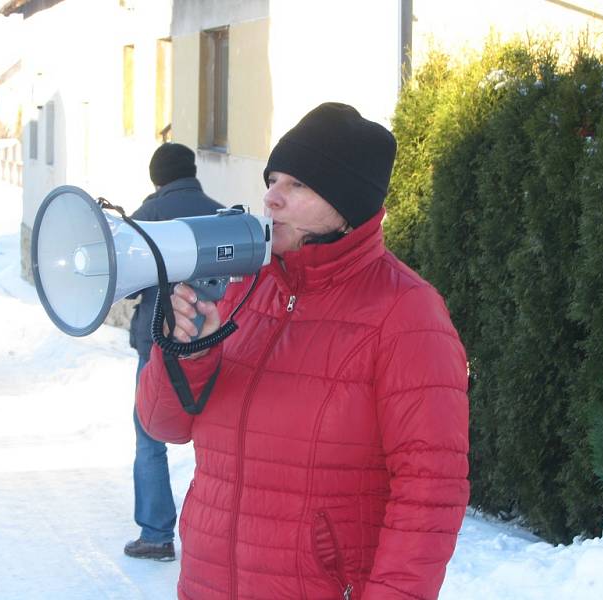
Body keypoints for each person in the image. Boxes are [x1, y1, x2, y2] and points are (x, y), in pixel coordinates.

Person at [137, 103, 469, 598]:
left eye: (297, 185)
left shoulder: (407, 313)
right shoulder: (246, 290)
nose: (271, 198)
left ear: (346, 203)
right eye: (273, 179)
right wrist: (186, 353)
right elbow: (164, 425)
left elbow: (431, 490)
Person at [124, 142, 224, 561]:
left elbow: (127, 279)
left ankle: (157, 534)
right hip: (218, 345)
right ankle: (217, 538)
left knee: (150, 436)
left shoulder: (147, 219)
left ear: (157, 178)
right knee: (219, 441)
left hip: (160, 347)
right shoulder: (222, 215)